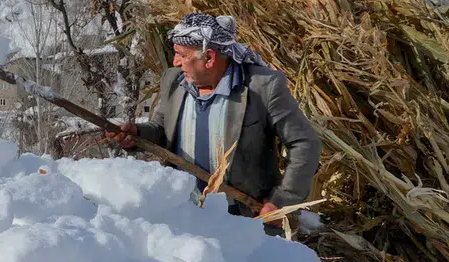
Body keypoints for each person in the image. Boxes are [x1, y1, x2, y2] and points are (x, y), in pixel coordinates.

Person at [105, 12, 321, 224]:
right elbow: (162, 130)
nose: (175, 61)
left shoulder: (261, 87)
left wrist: (282, 200)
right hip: (184, 214)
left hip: (244, 219)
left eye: (182, 54)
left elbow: (304, 143)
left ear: (209, 57)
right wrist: (137, 134)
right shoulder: (173, 81)